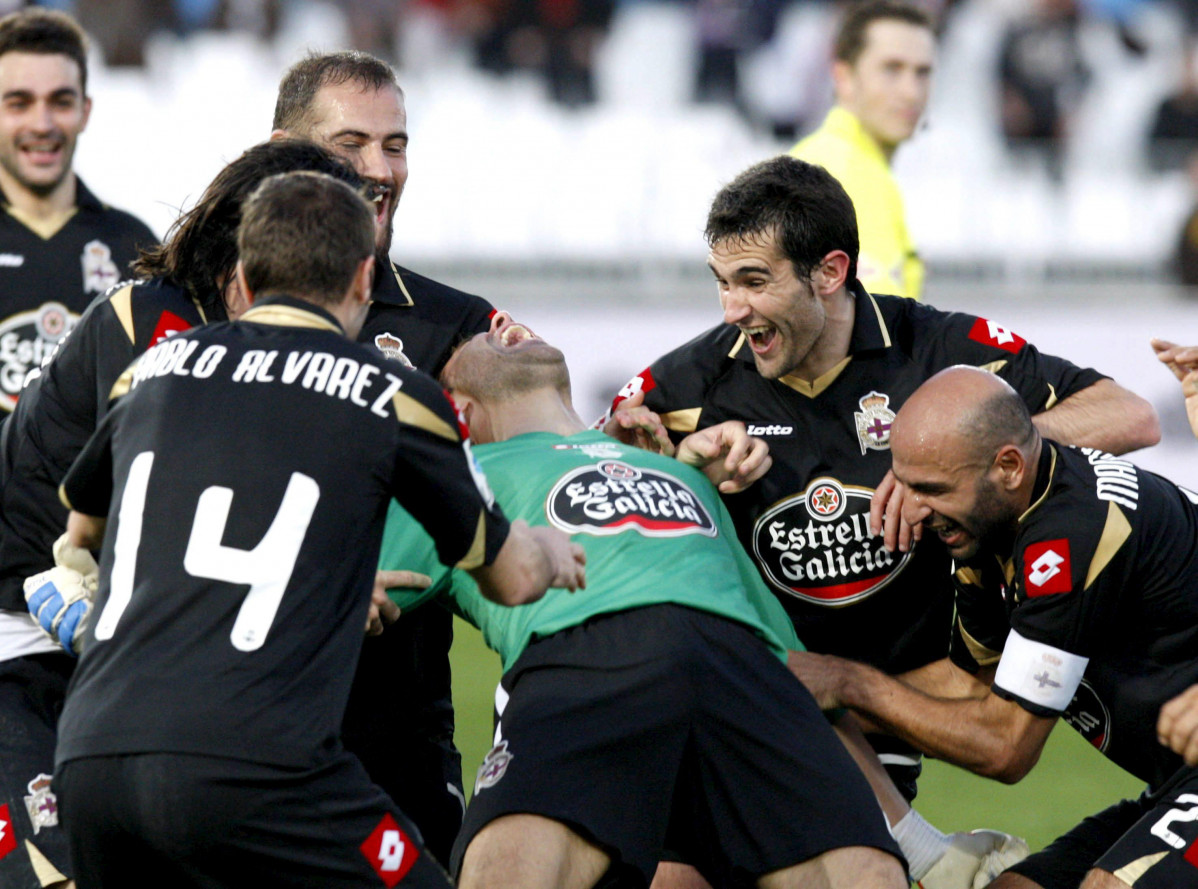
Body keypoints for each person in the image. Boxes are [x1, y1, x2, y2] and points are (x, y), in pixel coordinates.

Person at [45, 170, 584, 888]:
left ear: (240, 276)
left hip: (93, 763)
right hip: (259, 766)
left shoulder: (151, 369)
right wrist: (551, 546)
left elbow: (83, 524)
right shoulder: (391, 391)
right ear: (365, 277)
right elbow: (512, 577)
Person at [606, 155, 1158, 809]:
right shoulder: (692, 384)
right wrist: (678, 468)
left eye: (753, 281)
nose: (732, 309)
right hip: (750, 698)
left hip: (885, 715)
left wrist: (948, 454)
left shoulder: (937, 348)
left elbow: (1130, 414)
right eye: (721, 283)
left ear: (831, 272)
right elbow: (591, 485)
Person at [375, 312, 908, 889]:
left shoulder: (683, 473)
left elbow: (797, 667)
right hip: (588, 646)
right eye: (472, 339)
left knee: (867, 874)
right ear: (462, 410)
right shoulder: (459, 477)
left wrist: (916, 838)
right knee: (512, 870)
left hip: (742, 662)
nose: (500, 325)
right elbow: (337, 579)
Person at [0, 138, 364, 889]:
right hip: (18, 626)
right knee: (54, 873)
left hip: (124, 636)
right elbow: (135, 511)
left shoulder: (265, 341)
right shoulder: (149, 324)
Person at [789, 365, 1198, 889]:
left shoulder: (1073, 533)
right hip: (1176, 779)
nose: (911, 509)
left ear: (1007, 466)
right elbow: (972, 683)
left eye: (930, 488)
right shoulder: (993, 521)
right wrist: (790, 699)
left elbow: (1005, 747)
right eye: (904, 484)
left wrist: (848, 684)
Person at [270, 49, 500, 862]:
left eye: (395, 145)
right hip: (246, 711)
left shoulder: (462, 327)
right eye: (350, 146)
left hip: (395, 727)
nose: (380, 170)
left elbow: (538, 462)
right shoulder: (207, 314)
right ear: (282, 153)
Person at [0, 8, 156, 414]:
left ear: (85, 111)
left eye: (61, 101)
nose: (42, 123)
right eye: (19, 103)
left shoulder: (134, 247)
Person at [788, 0, 934, 300]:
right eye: (891, 69)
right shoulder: (851, 175)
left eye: (922, 73)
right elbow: (878, 332)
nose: (911, 91)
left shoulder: (813, 157)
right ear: (844, 77)